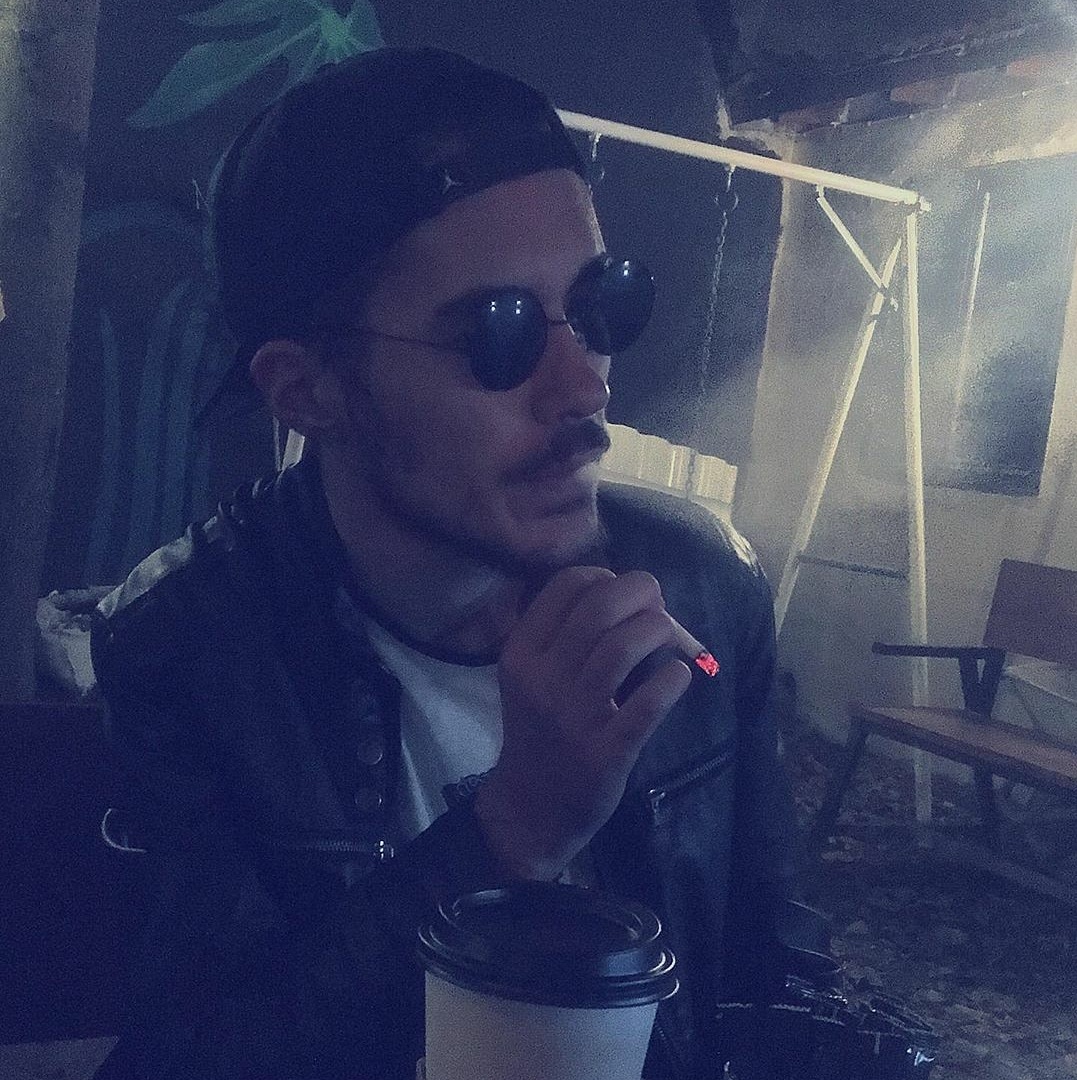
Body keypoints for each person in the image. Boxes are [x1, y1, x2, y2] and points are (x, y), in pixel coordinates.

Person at [90, 46, 797, 1080]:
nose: (586, 387)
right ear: (308, 391)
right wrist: (511, 830)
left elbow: (775, 976)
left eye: (600, 307)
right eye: (497, 335)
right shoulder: (186, 650)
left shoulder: (704, 593)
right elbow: (196, 1056)